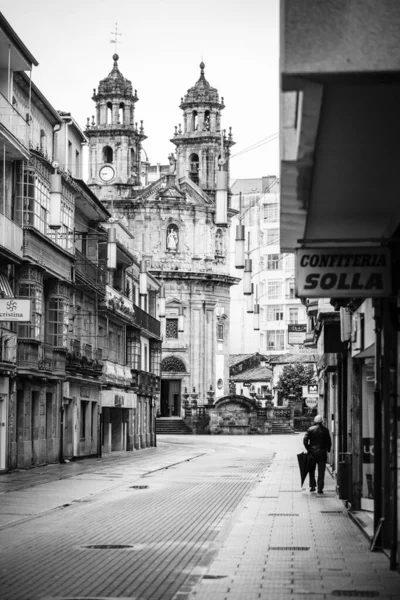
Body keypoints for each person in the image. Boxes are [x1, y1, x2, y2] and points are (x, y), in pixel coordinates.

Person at [303, 414, 332, 493]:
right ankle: (320, 488)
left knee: (311, 470)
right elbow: (329, 441)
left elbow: (305, 441)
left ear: (314, 421)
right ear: (322, 422)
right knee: (321, 471)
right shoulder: (326, 430)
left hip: (312, 453)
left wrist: (309, 448)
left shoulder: (310, 429)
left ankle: (312, 486)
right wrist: (328, 449)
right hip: (322, 453)